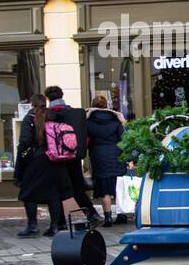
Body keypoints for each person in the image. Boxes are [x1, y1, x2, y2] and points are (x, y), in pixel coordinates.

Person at [13, 94, 81, 238]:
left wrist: (25, 159)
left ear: (32, 104)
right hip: (57, 159)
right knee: (53, 194)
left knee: (27, 193)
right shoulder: (53, 116)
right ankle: (55, 226)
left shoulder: (30, 118)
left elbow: (24, 142)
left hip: (38, 160)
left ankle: (32, 226)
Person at [44, 85, 102, 226]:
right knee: (78, 189)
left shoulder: (48, 114)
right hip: (74, 157)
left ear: (47, 98)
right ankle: (93, 215)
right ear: (62, 95)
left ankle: (60, 222)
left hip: (56, 159)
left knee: (56, 191)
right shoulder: (76, 113)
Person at [85, 95, 128, 225]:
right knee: (118, 186)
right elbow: (125, 139)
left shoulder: (89, 122)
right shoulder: (115, 121)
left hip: (99, 157)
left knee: (104, 188)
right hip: (116, 155)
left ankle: (108, 217)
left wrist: (87, 115)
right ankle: (121, 216)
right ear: (106, 106)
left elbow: (83, 136)